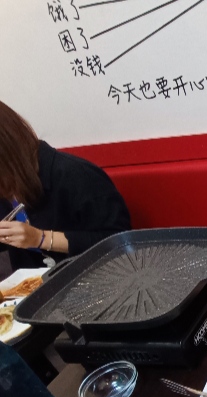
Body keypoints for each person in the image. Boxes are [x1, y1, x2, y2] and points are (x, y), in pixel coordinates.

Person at [0, 100, 131, 270]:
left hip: (97, 277)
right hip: (34, 284)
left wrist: (41, 238)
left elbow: (120, 242)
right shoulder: (6, 187)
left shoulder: (77, 175)